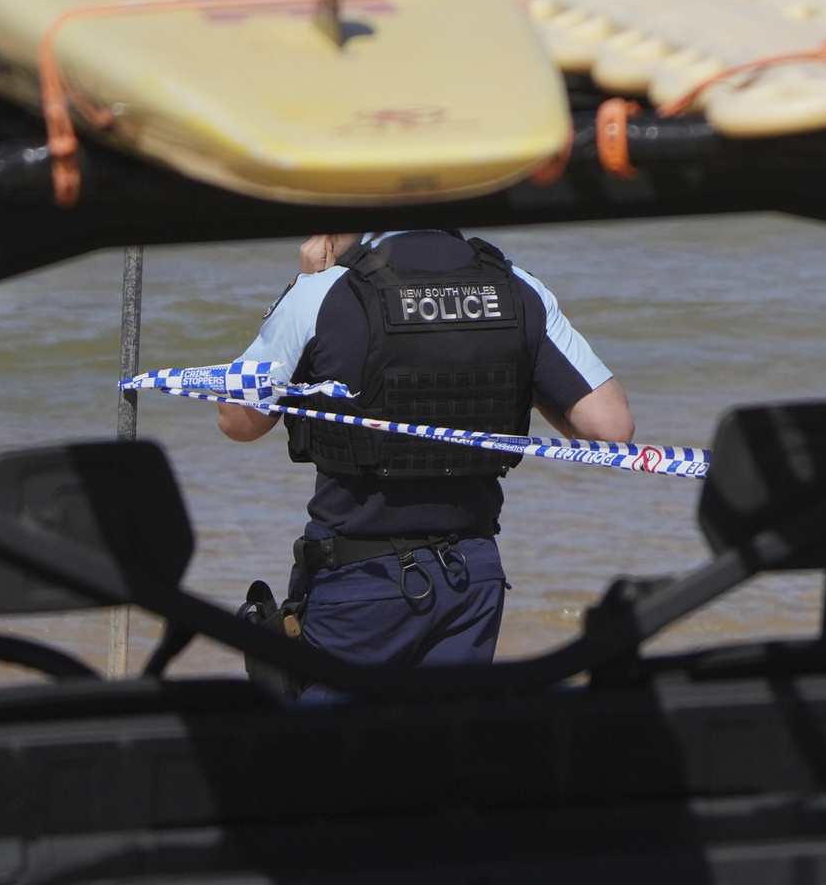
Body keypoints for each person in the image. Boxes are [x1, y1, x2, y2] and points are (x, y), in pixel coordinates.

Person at [216, 228, 633, 675]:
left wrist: (300, 285)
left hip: (360, 579)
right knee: (447, 739)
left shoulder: (323, 291)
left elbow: (238, 421)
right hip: (471, 575)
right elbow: (611, 431)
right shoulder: (516, 287)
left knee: (335, 742)